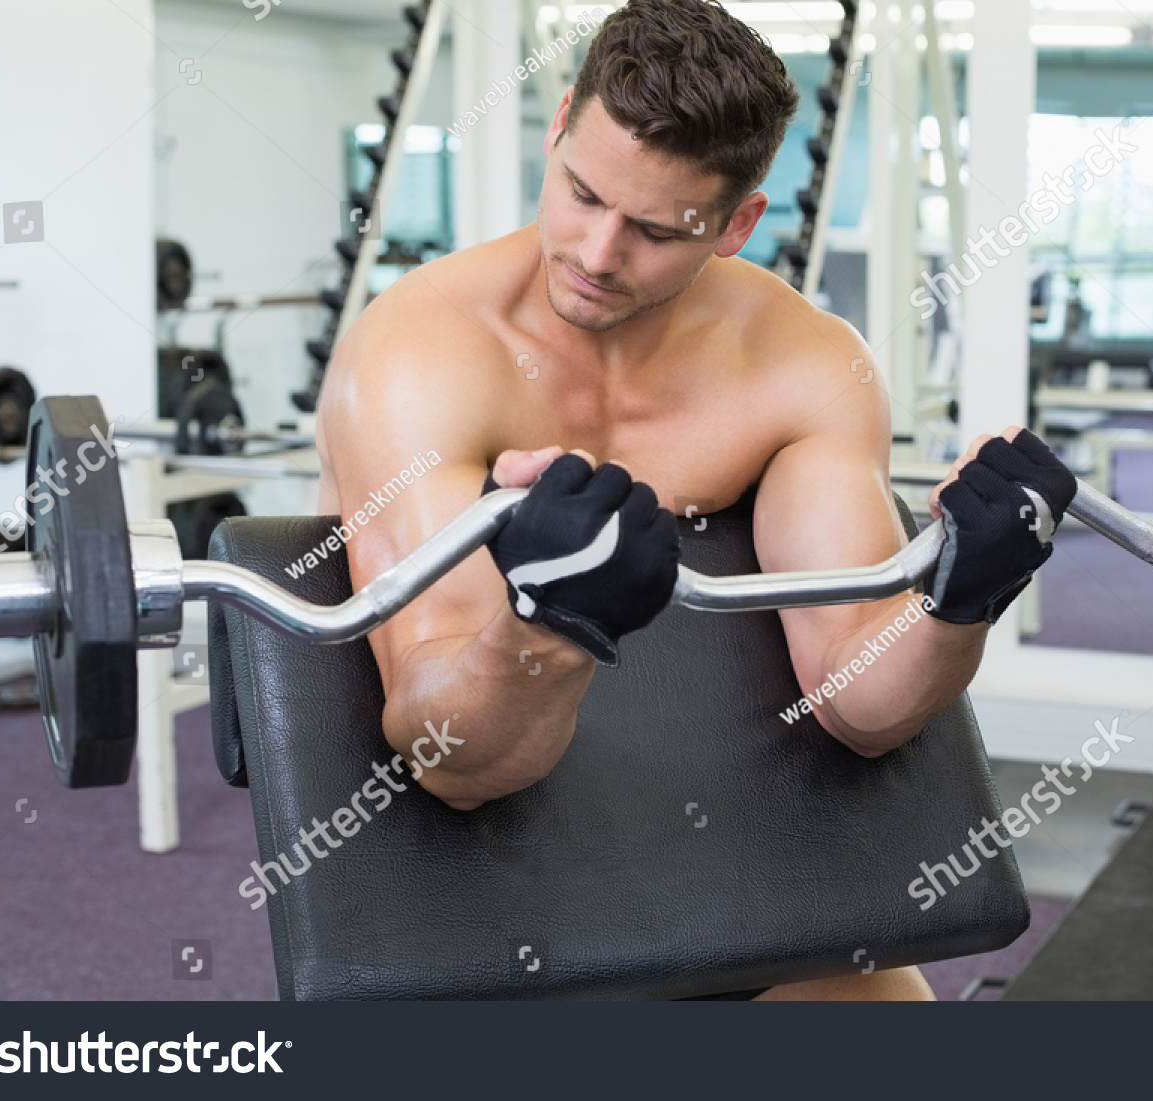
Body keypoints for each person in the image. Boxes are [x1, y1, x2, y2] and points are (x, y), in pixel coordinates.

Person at [315, 0, 1075, 1001]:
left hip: (755, 870)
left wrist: (959, 601)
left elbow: (858, 705)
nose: (594, 255)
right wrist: (552, 627)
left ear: (736, 224)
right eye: (581, 192)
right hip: (477, 899)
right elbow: (450, 757)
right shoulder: (419, 358)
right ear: (557, 133)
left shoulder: (804, 365)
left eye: (655, 230)